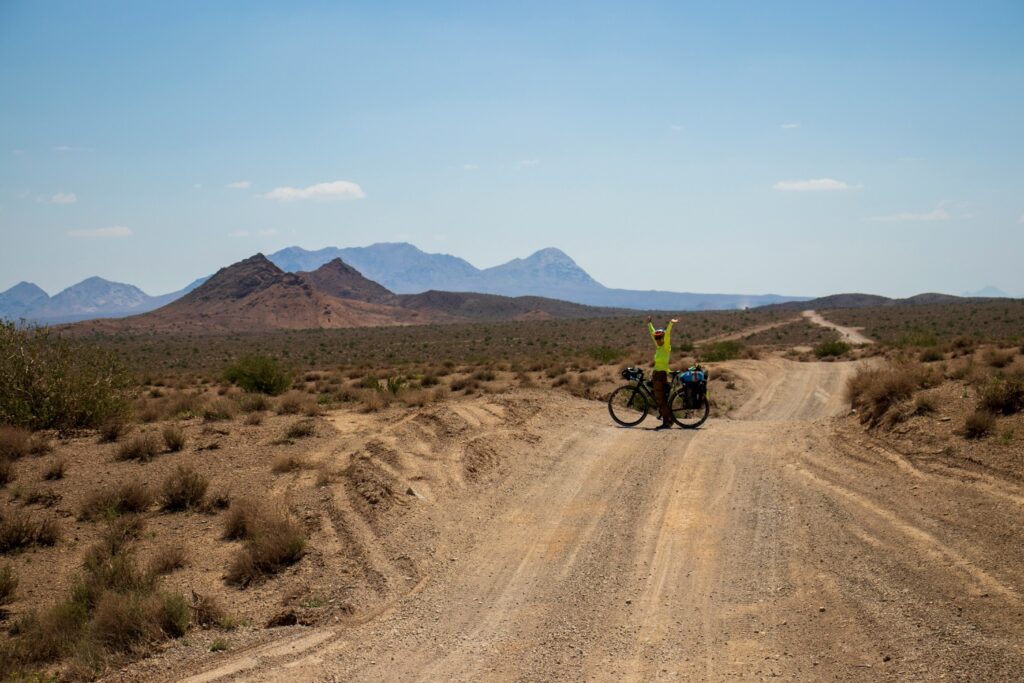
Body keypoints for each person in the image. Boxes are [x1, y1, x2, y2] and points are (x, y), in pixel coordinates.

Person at [646, 315, 680, 430]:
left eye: (660, 337)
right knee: (660, 398)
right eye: (657, 338)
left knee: (661, 399)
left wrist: (671, 323)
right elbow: (653, 334)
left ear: (663, 338)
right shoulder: (659, 347)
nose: (658, 339)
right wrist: (649, 324)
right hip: (656, 375)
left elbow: (668, 335)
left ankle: (667, 422)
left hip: (660, 375)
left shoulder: (665, 347)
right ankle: (667, 419)